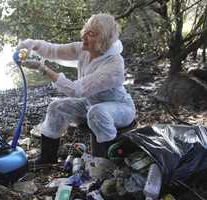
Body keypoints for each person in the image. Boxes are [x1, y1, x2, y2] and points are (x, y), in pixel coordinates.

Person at [17, 13, 136, 163]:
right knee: (56, 107)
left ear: (104, 39)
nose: (84, 36)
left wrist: (43, 69)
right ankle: (47, 159)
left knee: (97, 112)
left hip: (120, 109)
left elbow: (76, 90)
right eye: (85, 30)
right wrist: (31, 44)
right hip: (91, 105)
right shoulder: (84, 49)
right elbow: (54, 50)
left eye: (91, 33)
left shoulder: (114, 64)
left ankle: (105, 162)